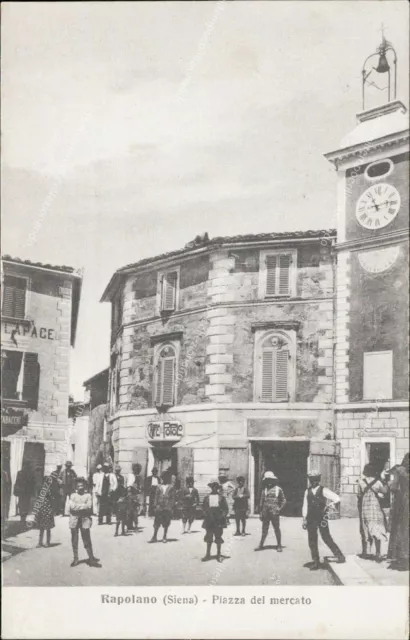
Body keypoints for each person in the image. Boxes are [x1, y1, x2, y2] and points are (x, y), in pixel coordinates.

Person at [302, 469, 345, 570]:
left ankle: (340, 556)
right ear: (309, 480)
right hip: (310, 518)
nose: (313, 481)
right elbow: (305, 505)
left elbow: (337, 498)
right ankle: (315, 561)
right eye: (311, 479)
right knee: (312, 540)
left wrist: (330, 505)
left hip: (321, 518)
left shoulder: (324, 490)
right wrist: (304, 519)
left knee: (326, 537)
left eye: (315, 479)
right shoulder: (307, 491)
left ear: (319, 479)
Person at [357, 464, 389, 562]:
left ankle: (366, 552)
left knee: (365, 528)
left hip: (365, 508)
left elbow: (359, 496)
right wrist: (386, 482)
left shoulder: (361, 482)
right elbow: (384, 491)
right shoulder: (378, 482)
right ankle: (378, 553)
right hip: (375, 508)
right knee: (377, 529)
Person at [68, 477, 100, 567]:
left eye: (82, 485)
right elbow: (72, 507)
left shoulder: (88, 495)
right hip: (74, 519)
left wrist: (78, 506)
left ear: (84, 486)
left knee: (86, 539)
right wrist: (82, 506)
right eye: (78, 486)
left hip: (85, 519)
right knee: (74, 539)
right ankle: (75, 559)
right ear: (76, 487)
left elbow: (89, 506)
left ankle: (91, 558)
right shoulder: (73, 495)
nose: (80, 487)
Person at [387, 453, 409, 571]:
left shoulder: (400, 470)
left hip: (404, 502)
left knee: (402, 529)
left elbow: (394, 488)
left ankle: (403, 558)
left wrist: (391, 485)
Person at [255, 472, 286, 550]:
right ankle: (261, 545)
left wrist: (279, 508)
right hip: (265, 512)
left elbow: (284, 500)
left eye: (270, 480)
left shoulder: (278, 489)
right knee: (264, 529)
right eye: (267, 480)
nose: (269, 482)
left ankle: (279, 545)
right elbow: (261, 502)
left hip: (274, 512)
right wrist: (261, 513)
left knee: (276, 528)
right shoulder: (264, 490)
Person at [202, 479, 229, 563]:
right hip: (209, 520)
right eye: (212, 486)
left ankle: (218, 554)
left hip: (219, 521)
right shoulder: (207, 498)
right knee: (209, 537)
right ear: (211, 487)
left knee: (218, 537)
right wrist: (206, 514)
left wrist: (222, 516)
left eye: (215, 486)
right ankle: (207, 554)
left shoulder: (221, 498)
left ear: (217, 487)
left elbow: (226, 509)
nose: (214, 488)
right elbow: (203, 508)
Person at [149, 471, 176, 543]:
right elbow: (156, 497)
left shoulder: (171, 487)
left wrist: (171, 506)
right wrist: (155, 506)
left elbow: (173, 498)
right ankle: (154, 536)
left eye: (165, 478)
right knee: (157, 522)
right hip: (159, 507)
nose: (163, 479)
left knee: (166, 522)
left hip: (167, 507)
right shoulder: (159, 486)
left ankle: (164, 536)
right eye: (162, 478)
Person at [35, 471, 60, 548]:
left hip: (48, 508)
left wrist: (53, 509)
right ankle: (40, 542)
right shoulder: (42, 488)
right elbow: (38, 498)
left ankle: (47, 542)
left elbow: (54, 500)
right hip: (42, 508)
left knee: (48, 527)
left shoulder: (54, 489)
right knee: (41, 526)